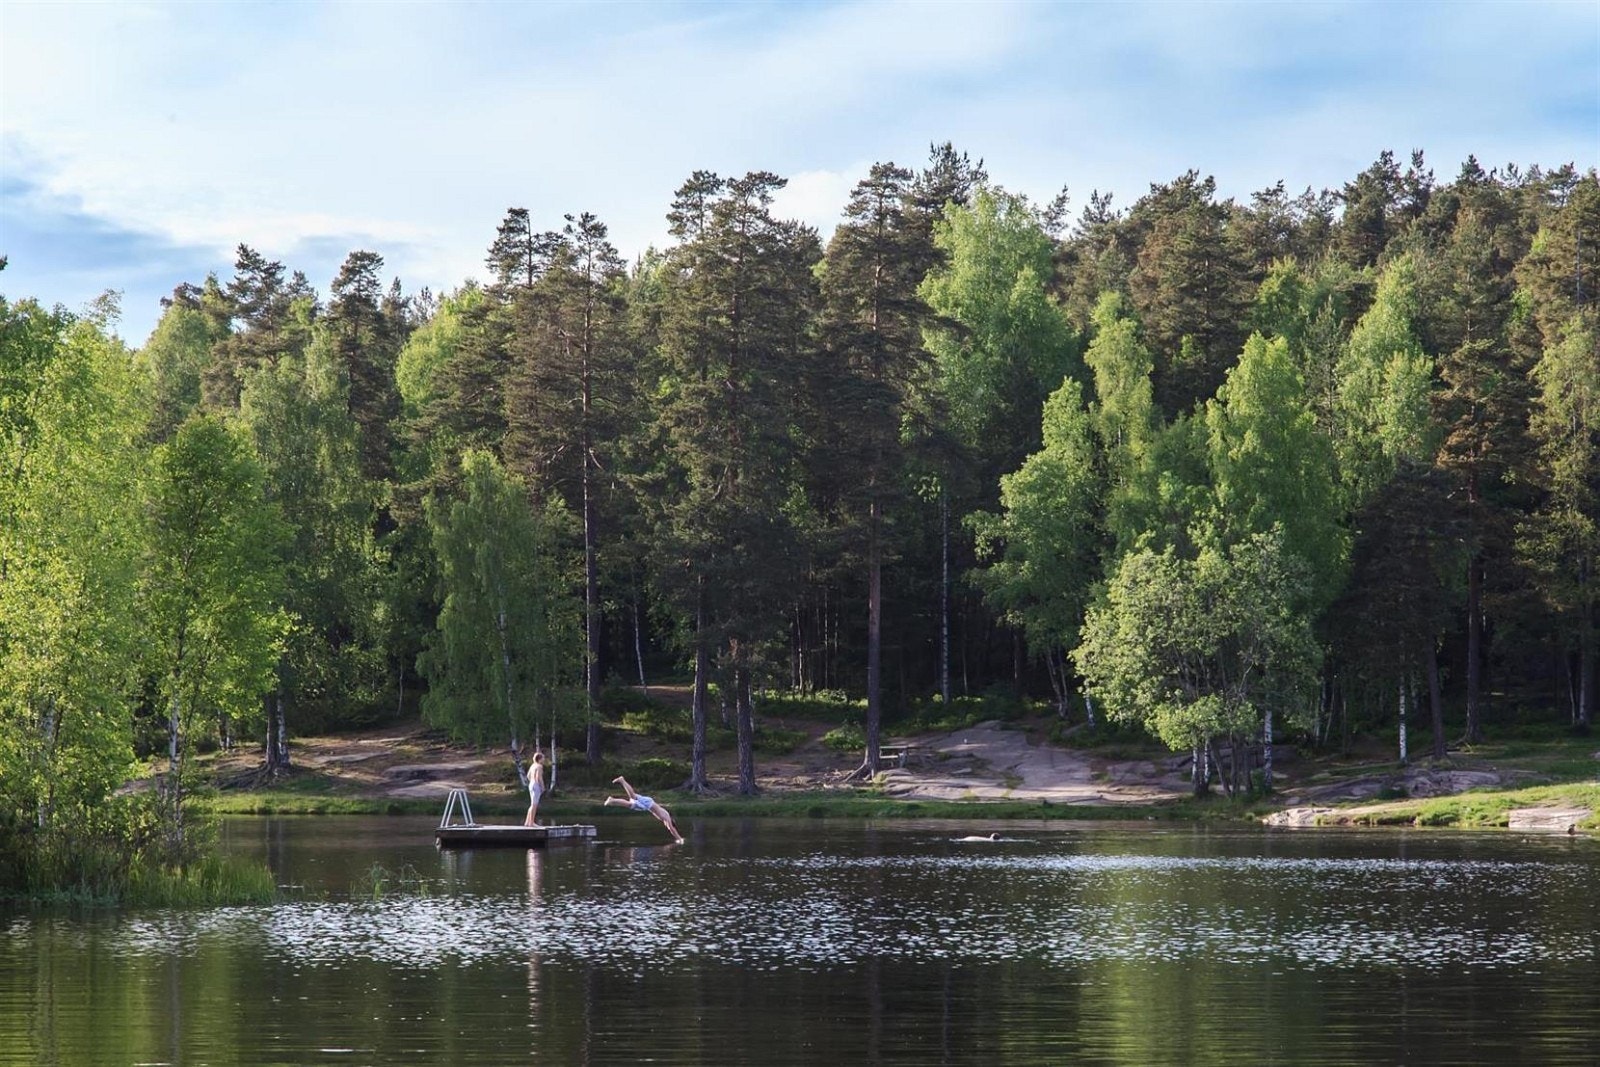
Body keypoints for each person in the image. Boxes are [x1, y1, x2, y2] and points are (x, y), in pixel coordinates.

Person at [604, 776, 684, 844]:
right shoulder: (667, 818)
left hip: (647, 805)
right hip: (648, 803)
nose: (667, 826)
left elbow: (671, 828)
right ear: (672, 822)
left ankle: (612, 800)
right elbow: (672, 829)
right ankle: (622, 781)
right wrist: (679, 839)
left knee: (630, 804)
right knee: (632, 798)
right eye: (669, 825)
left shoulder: (665, 816)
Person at [523, 751, 546, 827]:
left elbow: (528, 776)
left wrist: (532, 782)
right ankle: (532, 822)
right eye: (543, 758)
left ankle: (527, 822)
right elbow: (539, 777)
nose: (544, 759)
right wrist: (542, 786)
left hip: (531, 784)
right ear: (539, 759)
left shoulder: (533, 765)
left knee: (532, 804)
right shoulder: (539, 766)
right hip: (536, 785)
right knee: (534, 805)